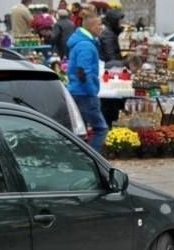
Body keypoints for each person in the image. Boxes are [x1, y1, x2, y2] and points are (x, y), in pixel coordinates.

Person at [66, 9, 107, 152]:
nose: (101, 28)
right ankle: (92, 159)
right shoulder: (86, 45)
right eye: (99, 25)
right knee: (101, 128)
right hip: (84, 93)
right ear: (90, 26)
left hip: (76, 91)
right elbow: (83, 72)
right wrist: (92, 92)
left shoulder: (82, 42)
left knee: (80, 131)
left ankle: (79, 158)